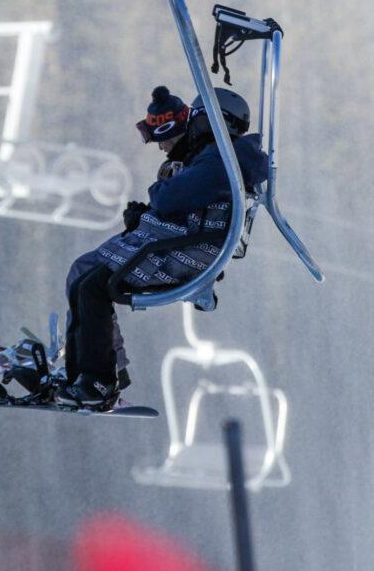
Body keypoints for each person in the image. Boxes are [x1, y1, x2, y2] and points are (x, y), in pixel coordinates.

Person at [57, 85, 268, 408]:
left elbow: (169, 197)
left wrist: (159, 192)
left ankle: (98, 380)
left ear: (208, 121)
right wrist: (146, 217)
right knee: (84, 273)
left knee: (95, 286)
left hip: (187, 252)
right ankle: (83, 374)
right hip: (182, 244)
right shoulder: (221, 158)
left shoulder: (221, 158)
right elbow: (188, 205)